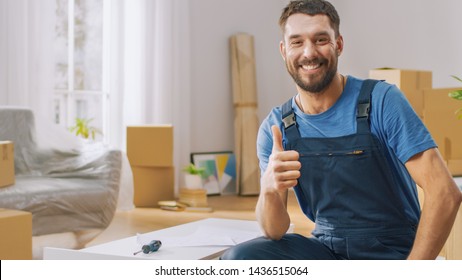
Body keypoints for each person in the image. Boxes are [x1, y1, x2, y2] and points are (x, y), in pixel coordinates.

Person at [221, 0, 461, 260]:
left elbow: (444, 192)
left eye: (321, 39)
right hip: (327, 249)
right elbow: (274, 230)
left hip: (392, 252)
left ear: (339, 44)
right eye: (297, 42)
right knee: (240, 259)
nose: (309, 52)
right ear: (283, 50)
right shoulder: (276, 127)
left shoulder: (381, 100)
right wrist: (269, 187)